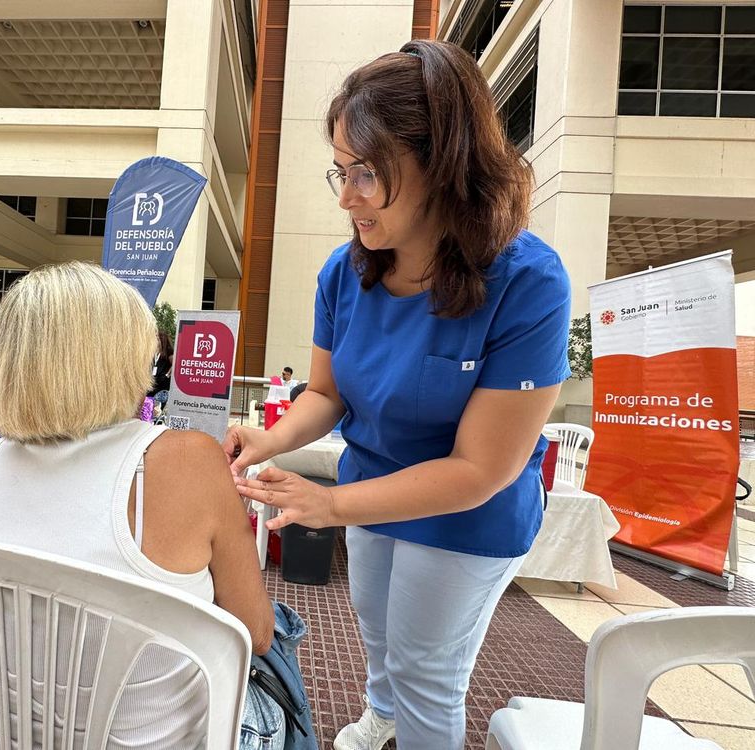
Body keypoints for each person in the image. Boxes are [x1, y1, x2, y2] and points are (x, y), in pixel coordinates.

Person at [225, 40, 571, 750]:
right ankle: (381, 715)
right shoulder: (345, 270)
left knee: (426, 675)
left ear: (443, 166)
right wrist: (272, 438)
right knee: (380, 634)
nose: (347, 195)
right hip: (370, 486)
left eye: (368, 173)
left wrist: (330, 503)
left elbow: (482, 469)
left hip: (466, 513)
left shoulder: (528, 281)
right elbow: (326, 392)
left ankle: (402, 717)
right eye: (341, 171)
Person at [0, 262, 312, 749]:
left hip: (2, 735)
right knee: (281, 630)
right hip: (153, 739)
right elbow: (254, 634)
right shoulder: (184, 459)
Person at [148, 330, 173, 397]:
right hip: (152, 387)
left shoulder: (169, 354)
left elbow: (175, 365)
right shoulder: (152, 354)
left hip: (162, 389)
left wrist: (166, 375)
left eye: (157, 338)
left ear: (162, 340)